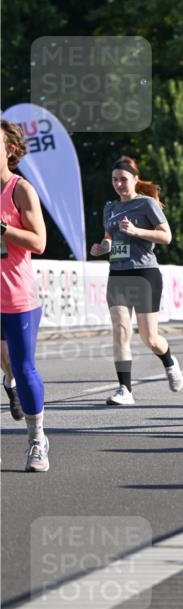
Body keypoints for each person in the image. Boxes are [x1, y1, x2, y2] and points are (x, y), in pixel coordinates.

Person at [89, 156, 183, 405]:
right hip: (118, 273)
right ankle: (125, 389)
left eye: (123, 179)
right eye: (114, 180)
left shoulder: (146, 204)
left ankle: (169, 360)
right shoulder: (110, 207)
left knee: (149, 337)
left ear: (135, 179)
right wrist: (102, 247)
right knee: (120, 332)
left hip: (144, 274)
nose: (119, 184)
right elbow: (109, 237)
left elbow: (167, 237)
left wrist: (136, 231)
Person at [0, 119, 50, 471]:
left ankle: (37, 440)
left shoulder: (20, 190)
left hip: (16, 295)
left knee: (22, 365)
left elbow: (39, 242)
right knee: (7, 360)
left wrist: (3, 228)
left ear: (10, 150)